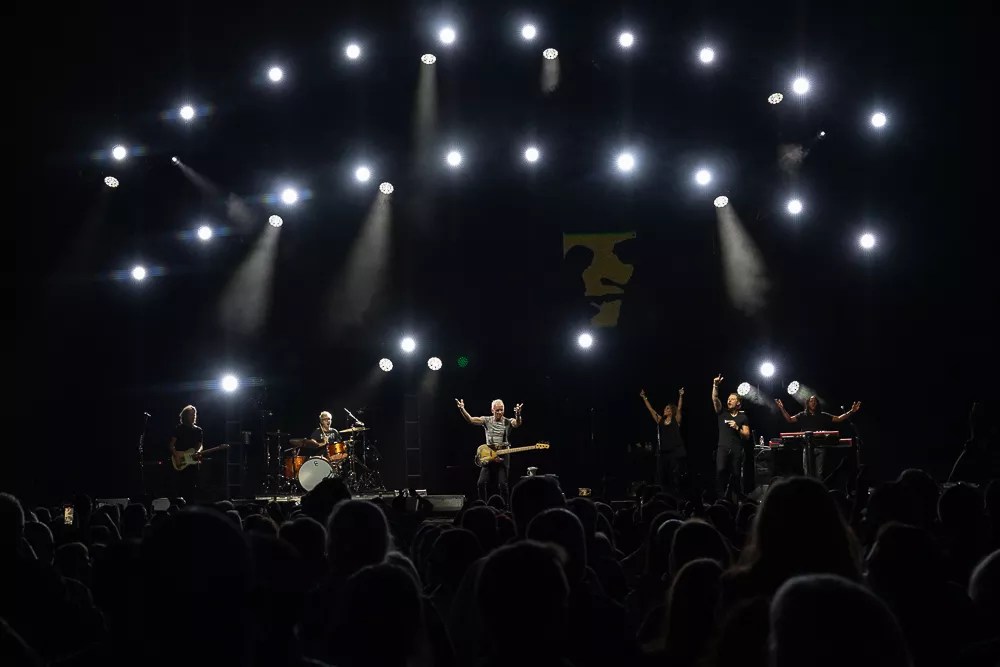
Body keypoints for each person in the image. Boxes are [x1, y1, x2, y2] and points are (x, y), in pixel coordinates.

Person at [775, 396, 861, 480]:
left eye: (815, 401)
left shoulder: (822, 415)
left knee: (819, 473)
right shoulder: (802, 415)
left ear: (817, 404)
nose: (813, 403)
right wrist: (782, 408)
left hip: (820, 447)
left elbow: (838, 418)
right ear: (808, 403)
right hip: (807, 447)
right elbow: (789, 419)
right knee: (807, 472)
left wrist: (851, 411)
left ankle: (818, 488)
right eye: (811, 401)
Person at [456, 398, 523, 502]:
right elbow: (471, 420)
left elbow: (517, 423)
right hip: (489, 455)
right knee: (481, 483)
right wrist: (462, 409)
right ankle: (483, 506)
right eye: (497, 410)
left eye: (502, 410)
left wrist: (518, 414)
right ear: (492, 410)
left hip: (503, 455)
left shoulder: (508, 421)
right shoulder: (487, 420)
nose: (500, 412)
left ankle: (505, 508)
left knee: (503, 485)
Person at [639, 387, 687, 495]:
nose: (665, 409)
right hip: (663, 453)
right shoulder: (660, 420)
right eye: (665, 408)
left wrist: (680, 396)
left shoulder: (676, 420)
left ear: (672, 411)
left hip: (674, 452)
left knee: (674, 475)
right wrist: (644, 397)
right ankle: (663, 495)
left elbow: (679, 408)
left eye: (668, 408)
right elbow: (651, 410)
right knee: (662, 476)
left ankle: (675, 495)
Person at [712, 375, 750, 498]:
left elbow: (747, 435)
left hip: (736, 449)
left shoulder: (742, 417)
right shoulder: (722, 412)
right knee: (720, 471)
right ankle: (720, 498)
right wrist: (715, 385)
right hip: (722, 448)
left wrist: (737, 428)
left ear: (738, 403)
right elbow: (715, 398)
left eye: (732, 399)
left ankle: (735, 498)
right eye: (728, 399)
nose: (729, 401)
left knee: (736, 474)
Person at [166, 405, 203, 501]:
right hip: (180, 461)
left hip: (192, 462)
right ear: (185, 416)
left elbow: (200, 445)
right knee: (180, 487)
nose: (193, 416)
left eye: (194, 414)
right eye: (191, 414)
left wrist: (198, 452)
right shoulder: (178, 429)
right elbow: (171, 445)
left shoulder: (198, 430)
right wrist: (176, 455)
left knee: (192, 487)